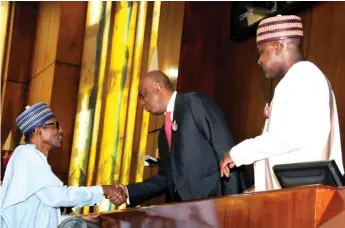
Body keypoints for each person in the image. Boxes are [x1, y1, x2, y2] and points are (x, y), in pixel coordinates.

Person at [219, 15, 344, 192]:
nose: (259, 60)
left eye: (261, 51)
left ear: (277, 46)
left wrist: (238, 153)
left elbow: (291, 136)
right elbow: (292, 151)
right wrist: (261, 187)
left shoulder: (305, 75)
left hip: (302, 199)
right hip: (297, 194)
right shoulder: (299, 77)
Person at [110, 70, 250, 206]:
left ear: (157, 87)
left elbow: (226, 151)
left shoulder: (194, 103)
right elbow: (168, 178)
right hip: (183, 213)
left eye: (143, 95)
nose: (142, 103)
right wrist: (129, 192)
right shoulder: (163, 135)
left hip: (215, 206)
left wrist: (234, 203)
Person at [0, 102, 126, 228]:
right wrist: (103, 189)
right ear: (38, 130)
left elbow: (42, 216)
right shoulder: (26, 154)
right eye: (55, 125)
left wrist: (75, 218)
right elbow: (58, 196)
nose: (61, 130)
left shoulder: (32, 157)